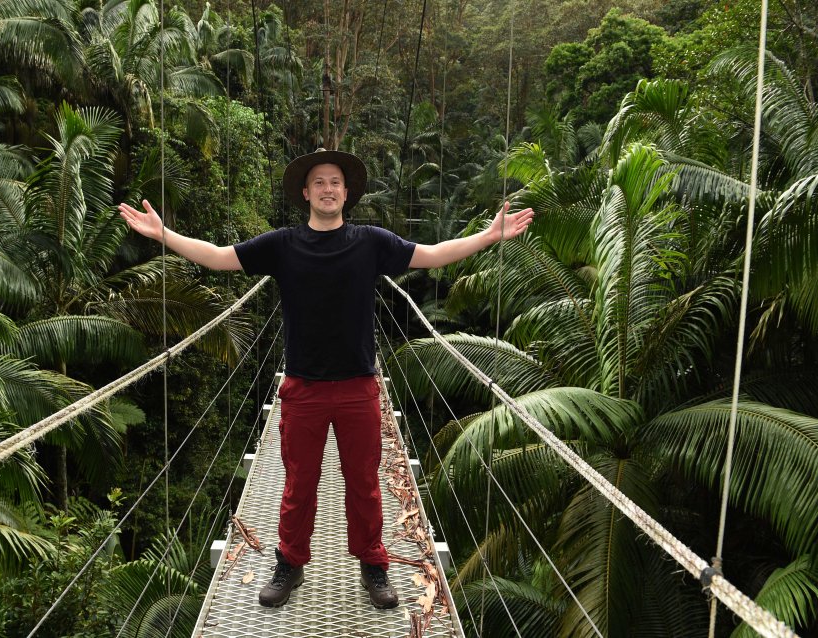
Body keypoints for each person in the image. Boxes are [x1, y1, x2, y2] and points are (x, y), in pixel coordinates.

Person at [118, 148, 533, 610]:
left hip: (358, 385)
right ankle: (290, 564)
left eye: (335, 181)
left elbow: (433, 256)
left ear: (347, 191)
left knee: (364, 483)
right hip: (303, 386)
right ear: (305, 193)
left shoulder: (371, 242)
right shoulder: (282, 245)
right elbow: (217, 258)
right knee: (299, 483)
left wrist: (489, 236)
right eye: (319, 182)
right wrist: (163, 234)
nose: (328, 189)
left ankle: (374, 567)